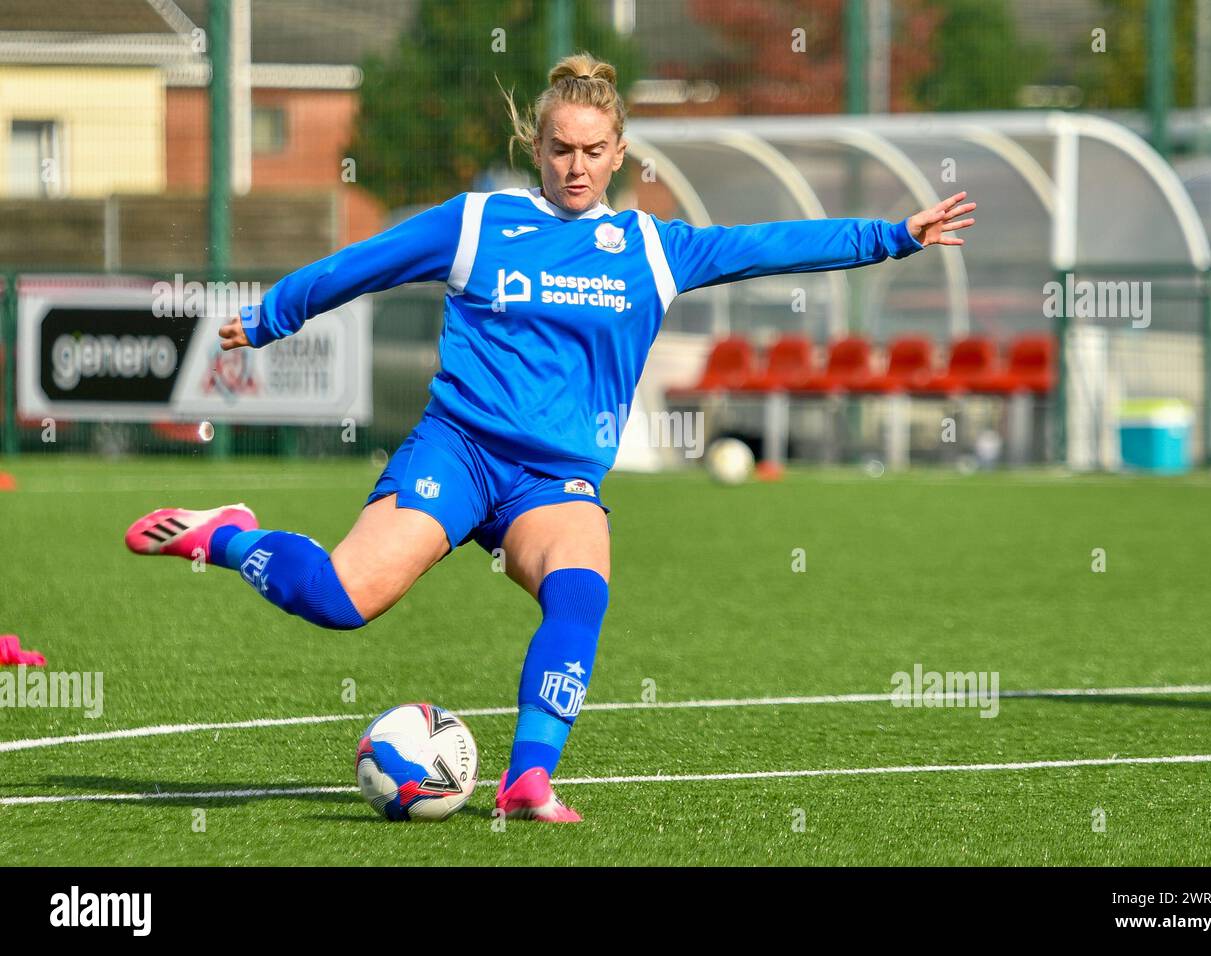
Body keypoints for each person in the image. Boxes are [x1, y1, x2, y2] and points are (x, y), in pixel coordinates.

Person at [124, 51, 975, 822]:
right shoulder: (476, 222)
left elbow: (767, 246)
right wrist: (273, 316)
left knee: (579, 592)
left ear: (619, 155)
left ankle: (529, 777)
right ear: (538, 146)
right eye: (561, 148)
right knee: (342, 602)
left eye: (593, 150)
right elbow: (364, 263)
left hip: (553, 481)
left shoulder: (651, 247)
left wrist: (893, 237)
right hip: (458, 451)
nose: (576, 165)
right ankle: (229, 536)